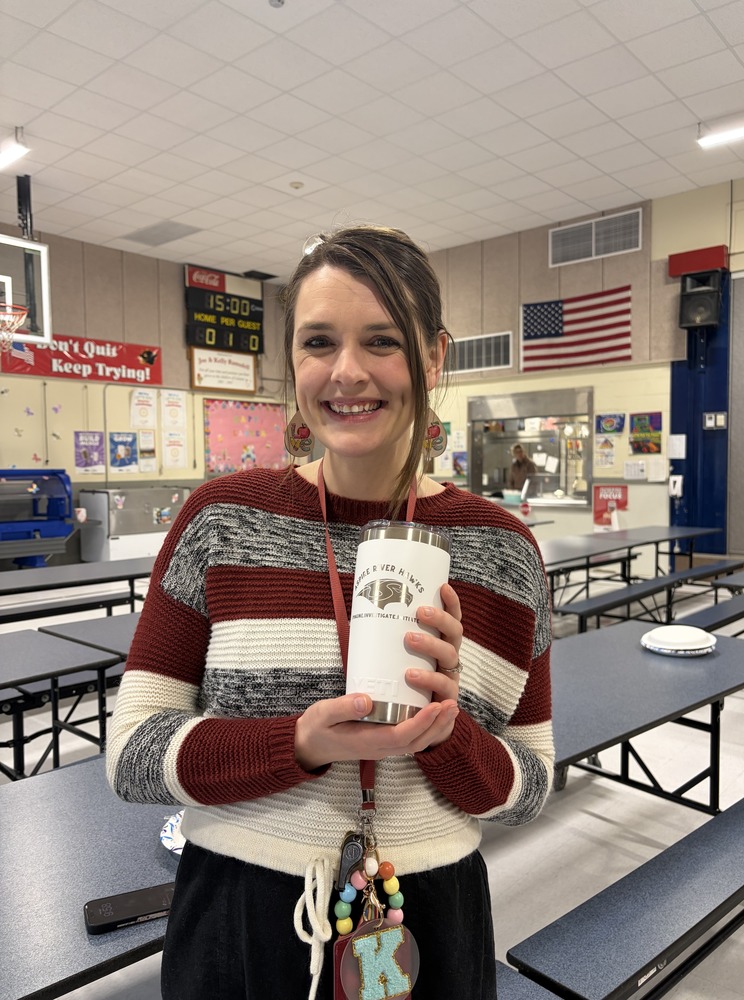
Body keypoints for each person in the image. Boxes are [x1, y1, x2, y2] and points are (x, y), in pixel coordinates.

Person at [106, 225, 554, 1000]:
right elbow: (133, 757)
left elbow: (534, 784)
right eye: (319, 342)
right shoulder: (220, 520)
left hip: (429, 916)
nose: (348, 373)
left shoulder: (505, 553)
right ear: (293, 362)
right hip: (237, 915)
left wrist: (451, 740)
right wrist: (298, 743)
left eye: (382, 341)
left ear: (434, 356)